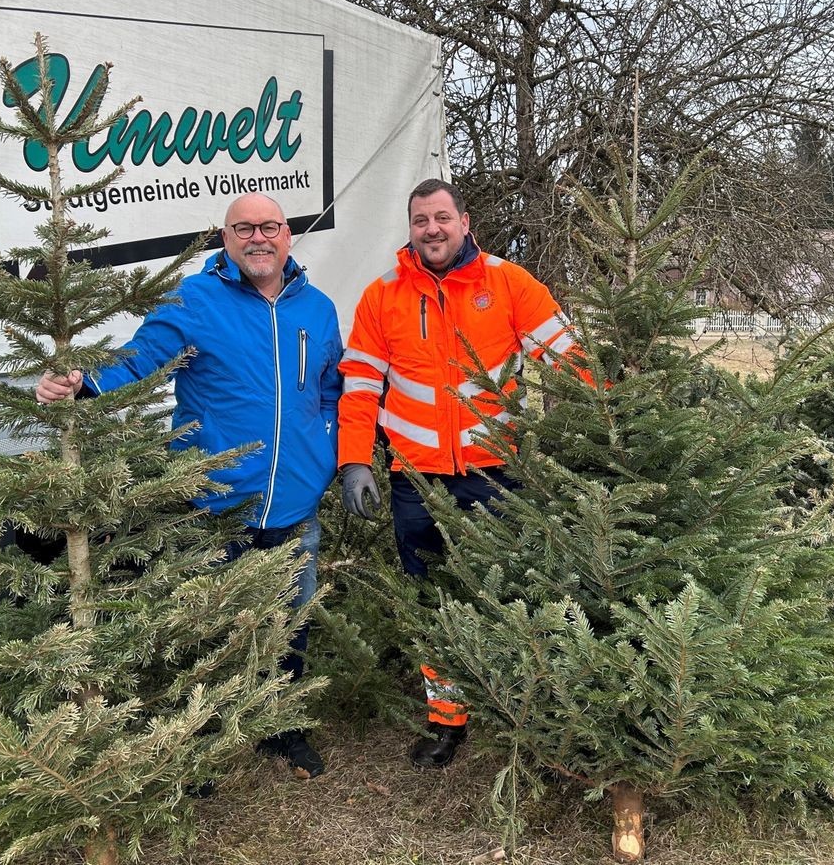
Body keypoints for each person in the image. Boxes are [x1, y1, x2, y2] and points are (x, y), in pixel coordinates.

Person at [36, 192, 342, 779]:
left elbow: (327, 388)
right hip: (216, 505)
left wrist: (326, 453)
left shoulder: (318, 308)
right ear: (224, 240)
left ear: (288, 236)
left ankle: (282, 727)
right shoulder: (195, 299)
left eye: (270, 227)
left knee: (289, 625)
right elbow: (136, 360)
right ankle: (198, 748)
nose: (258, 238)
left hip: (296, 506)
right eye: (243, 228)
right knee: (204, 631)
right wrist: (80, 380)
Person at [337, 177, 579, 769]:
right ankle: (448, 722)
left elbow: (571, 356)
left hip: (496, 474)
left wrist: (619, 418)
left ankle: (522, 714)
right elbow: (361, 385)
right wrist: (352, 461)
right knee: (433, 601)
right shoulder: (383, 295)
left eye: (442, 218)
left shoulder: (508, 282)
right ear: (410, 227)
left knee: (514, 595)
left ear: (464, 221)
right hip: (414, 482)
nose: (432, 230)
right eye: (421, 220)